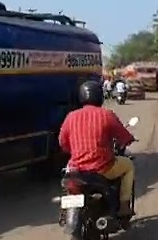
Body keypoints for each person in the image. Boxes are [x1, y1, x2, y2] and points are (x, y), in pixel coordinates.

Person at [58, 80, 137, 219]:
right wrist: (128, 140)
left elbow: (62, 142)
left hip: (76, 169)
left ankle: (67, 212)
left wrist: (74, 151)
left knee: (69, 182)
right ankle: (124, 205)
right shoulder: (106, 114)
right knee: (128, 166)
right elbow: (124, 137)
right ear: (100, 96)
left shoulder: (71, 117)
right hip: (102, 168)